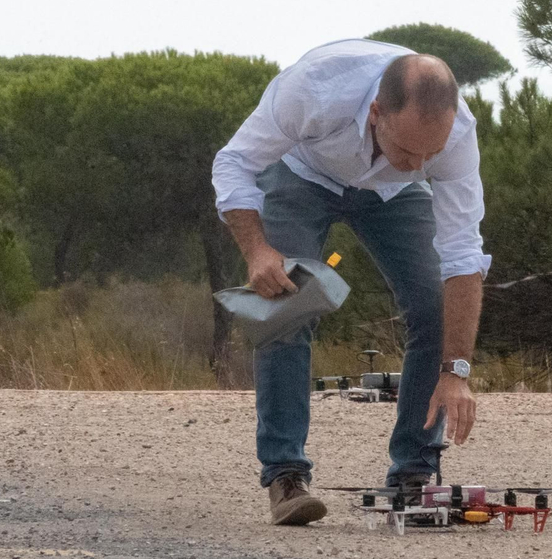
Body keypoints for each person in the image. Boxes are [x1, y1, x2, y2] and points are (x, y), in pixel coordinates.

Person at [210, 38, 491, 524]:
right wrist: (257, 251)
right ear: (377, 112)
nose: (419, 164)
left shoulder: (454, 136)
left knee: (434, 308)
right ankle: (285, 475)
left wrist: (456, 371)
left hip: (392, 196)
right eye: (407, 149)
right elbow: (233, 162)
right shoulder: (314, 89)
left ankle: (414, 472)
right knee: (284, 304)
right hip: (302, 173)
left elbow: (463, 255)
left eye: (432, 154)